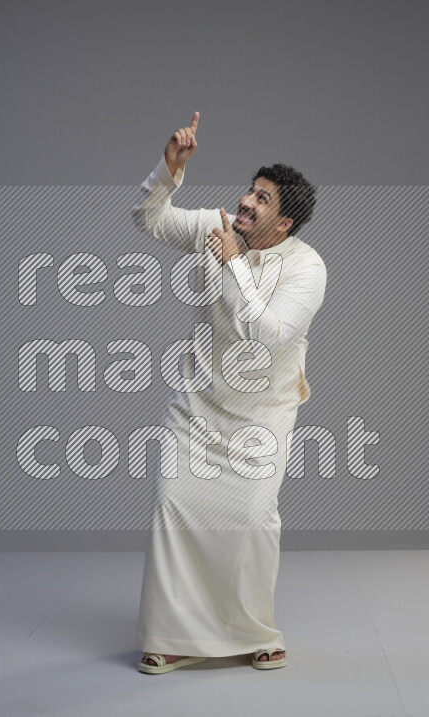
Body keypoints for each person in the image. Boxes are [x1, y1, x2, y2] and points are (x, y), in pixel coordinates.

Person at [132, 111, 327, 674]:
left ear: (284, 223)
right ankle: (171, 636)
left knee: (252, 517)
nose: (245, 202)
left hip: (263, 415)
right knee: (173, 505)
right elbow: (147, 218)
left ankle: (252, 629)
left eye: (262, 199)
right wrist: (169, 170)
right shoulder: (216, 227)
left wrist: (236, 264)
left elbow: (269, 335)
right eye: (250, 190)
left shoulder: (308, 268)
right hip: (198, 407)